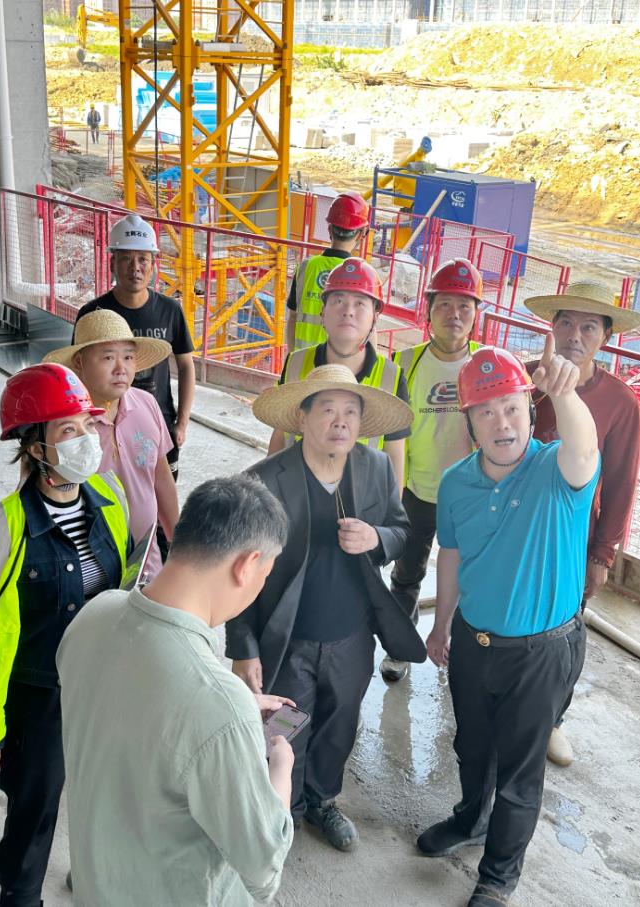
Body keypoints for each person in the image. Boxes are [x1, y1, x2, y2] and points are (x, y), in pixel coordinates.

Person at [57, 475, 294, 906]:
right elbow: (263, 867)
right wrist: (280, 766)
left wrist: (234, 710)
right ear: (246, 565)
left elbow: (133, 705)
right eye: (266, 574)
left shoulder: (94, 615)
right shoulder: (220, 707)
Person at [419, 342, 599, 907]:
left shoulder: (557, 471)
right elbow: (451, 556)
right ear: (470, 423)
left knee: (520, 774)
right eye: (487, 412)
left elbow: (585, 447)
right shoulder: (456, 482)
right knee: (472, 748)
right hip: (474, 642)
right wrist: (441, 624)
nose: (502, 423)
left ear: (530, 410)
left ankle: (498, 876)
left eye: (512, 408)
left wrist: (564, 392)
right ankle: (471, 819)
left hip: (541, 653)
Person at [227, 365, 425, 852]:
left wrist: (377, 537)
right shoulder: (264, 481)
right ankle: (283, 811)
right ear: (302, 417)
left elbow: (402, 530)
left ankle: (322, 800)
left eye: (350, 413)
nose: (340, 421)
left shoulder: (376, 469)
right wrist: (243, 648)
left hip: (351, 638)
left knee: (340, 724)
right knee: (284, 731)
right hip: (287, 640)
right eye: (328, 410)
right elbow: (236, 572)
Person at [0, 363, 130, 907]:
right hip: (38, 698)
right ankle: (20, 896)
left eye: (87, 425)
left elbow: (123, 586)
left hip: (101, 687)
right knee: (34, 815)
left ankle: (92, 875)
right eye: (68, 430)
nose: (86, 439)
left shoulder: (110, 497)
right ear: (36, 448)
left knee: (103, 796)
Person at [524, 280, 640, 766]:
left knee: (564, 634)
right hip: (517, 529)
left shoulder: (620, 401)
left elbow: (621, 483)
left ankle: (552, 720)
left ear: (606, 337)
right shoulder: (526, 379)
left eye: (589, 326)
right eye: (566, 322)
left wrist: (603, 554)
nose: (574, 335)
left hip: (574, 540)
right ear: (552, 327)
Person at [381, 257, 482, 682]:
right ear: (428, 310)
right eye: (444, 304)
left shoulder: (487, 365)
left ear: (475, 314)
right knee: (407, 575)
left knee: (472, 579)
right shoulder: (403, 363)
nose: (454, 314)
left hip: (473, 496)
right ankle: (400, 648)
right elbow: (385, 430)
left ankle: (462, 650)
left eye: (464, 306)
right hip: (417, 491)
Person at [45, 309, 179, 579]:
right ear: (80, 362)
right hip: (89, 572)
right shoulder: (64, 425)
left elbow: (161, 480)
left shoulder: (147, 404)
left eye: (128, 357)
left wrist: (179, 545)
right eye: (108, 357)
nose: (121, 369)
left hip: (147, 563)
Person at [75, 214, 195, 499]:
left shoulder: (169, 310)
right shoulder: (93, 315)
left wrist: (181, 422)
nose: (135, 267)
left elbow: (186, 366)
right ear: (112, 263)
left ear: (153, 264)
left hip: (159, 422)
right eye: (126, 259)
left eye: (143, 259)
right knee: (106, 499)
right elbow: (78, 373)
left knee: (160, 495)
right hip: (104, 426)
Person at [270, 257, 410, 491]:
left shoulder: (391, 378)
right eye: (338, 301)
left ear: (375, 317)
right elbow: (280, 437)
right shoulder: (296, 363)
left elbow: (394, 458)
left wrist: (390, 511)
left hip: (360, 502)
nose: (348, 311)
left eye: (360, 303)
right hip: (297, 495)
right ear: (322, 313)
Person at [287, 191, 369, 352]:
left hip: (302, 360)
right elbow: (367, 333)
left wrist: (291, 359)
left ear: (330, 229)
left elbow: (292, 318)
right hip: (336, 364)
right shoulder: (363, 276)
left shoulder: (306, 267)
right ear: (361, 234)